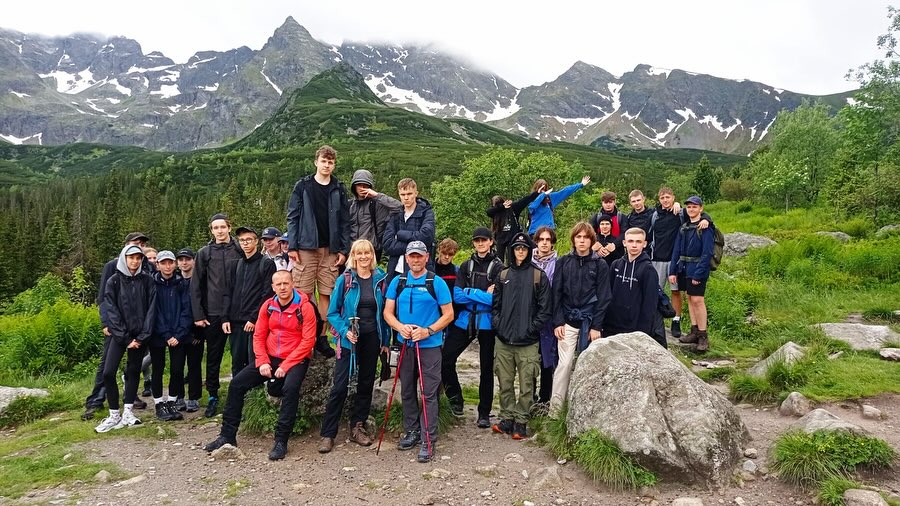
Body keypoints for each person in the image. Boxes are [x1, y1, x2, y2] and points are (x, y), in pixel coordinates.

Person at [203, 270, 317, 460]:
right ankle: (227, 435)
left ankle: (281, 440)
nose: (282, 287)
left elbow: (308, 341)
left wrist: (286, 366)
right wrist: (263, 361)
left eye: (286, 283)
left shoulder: (304, 307)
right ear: (273, 287)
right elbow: (258, 335)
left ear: (292, 284)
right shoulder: (268, 306)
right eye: (278, 284)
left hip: (296, 358)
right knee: (237, 383)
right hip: (270, 356)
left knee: (290, 388)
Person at [383, 241, 454, 463]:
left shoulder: (436, 282)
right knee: (406, 391)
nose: (415, 260)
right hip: (405, 345)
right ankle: (411, 430)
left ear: (426, 258)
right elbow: (387, 312)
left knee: (428, 393)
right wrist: (400, 327)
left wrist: (428, 331)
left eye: (419, 256)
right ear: (406, 258)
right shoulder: (398, 281)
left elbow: (449, 314)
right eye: (411, 256)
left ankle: (428, 438)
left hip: (429, 346)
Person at [319, 239, 391, 453]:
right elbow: (332, 312)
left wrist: (385, 341)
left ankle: (357, 427)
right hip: (349, 338)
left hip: (372, 337)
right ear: (353, 255)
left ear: (372, 255)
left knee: (366, 383)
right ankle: (328, 433)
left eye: (366, 253)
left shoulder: (381, 279)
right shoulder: (345, 279)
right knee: (340, 385)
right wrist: (344, 331)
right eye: (359, 253)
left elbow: (386, 314)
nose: (363, 257)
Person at [83, 232, 151, 420]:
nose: (140, 246)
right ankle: (96, 400)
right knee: (107, 365)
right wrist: (106, 322)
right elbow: (104, 299)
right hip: (115, 326)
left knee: (134, 366)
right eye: (136, 243)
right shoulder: (112, 267)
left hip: (138, 328)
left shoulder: (145, 269)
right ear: (125, 246)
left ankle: (130, 400)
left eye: (142, 245)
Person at [491, 232, 551, 439]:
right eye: (517, 248)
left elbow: (545, 309)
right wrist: (497, 325)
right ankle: (507, 417)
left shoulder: (538, 276)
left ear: (529, 251)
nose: (520, 251)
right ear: (512, 250)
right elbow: (495, 305)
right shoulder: (503, 275)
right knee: (505, 381)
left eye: (524, 248)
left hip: (528, 341)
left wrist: (532, 329)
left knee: (527, 384)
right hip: (504, 340)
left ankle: (521, 420)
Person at [442, 227, 504, 427]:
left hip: (487, 323)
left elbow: (496, 299)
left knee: (486, 368)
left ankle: (484, 413)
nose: (480, 244)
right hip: (465, 320)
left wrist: (468, 291)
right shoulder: (465, 265)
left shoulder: (499, 267)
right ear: (473, 243)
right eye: (477, 240)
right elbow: (456, 295)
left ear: (491, 242)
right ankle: (456, 400)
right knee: (446, 358)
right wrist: (479, 293)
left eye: (484, 240)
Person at [286, 145, 351, 331]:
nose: (327, 165)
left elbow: (345, 222)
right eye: (324, 161)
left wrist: (343, 250)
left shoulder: (339, 188)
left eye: (330, 162)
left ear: (334, 165)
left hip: (330, 249)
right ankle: (303, 337)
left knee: (326, 293)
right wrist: (292, 246)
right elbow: (293, 217)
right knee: (302, 293)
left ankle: (321, 338)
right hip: (305, 247)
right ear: (316, 162)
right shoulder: (302, 186)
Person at [549, 222, 611, 414]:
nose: (582, 241)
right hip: (567, 320)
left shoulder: (600, 264)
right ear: (573, 239)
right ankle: (555, 411)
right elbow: (556, 293)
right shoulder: (563, 262)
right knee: (564, 365)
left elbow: (604, 296)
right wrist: (558, 321)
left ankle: (585, 412)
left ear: (592, 240)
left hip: (590, 322)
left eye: (586, 237)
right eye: (578, 237)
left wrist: (597, 326)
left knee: (588, 366)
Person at [94, 245, 157, 433]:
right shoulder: (114, 281)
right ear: (124, 258)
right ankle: (114, 414)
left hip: (140, 336)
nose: (135, 261)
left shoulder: (147, 281)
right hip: (120, 335)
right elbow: (111, 310)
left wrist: (142, 336)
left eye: (138, 258)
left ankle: (128, 411)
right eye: (131, 258)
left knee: (133, 372)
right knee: (108, 372)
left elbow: (151, 310)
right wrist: (125, 337)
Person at [191, 213, 243, 417]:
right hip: (212, 312)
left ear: (229, 228)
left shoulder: (239, 250)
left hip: (237, 312)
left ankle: (240, 395)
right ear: (211, 231)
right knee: (214, 356)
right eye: (215, 228)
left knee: (240, 356)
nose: (220, 231)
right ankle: (213, 395)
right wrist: (198, 314)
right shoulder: (204, 253)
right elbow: (195, 286)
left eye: (223, 227)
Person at [647, 187, 707, 338]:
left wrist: (707, 219)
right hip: (657, 259)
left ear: (673, 197)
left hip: (676, 260)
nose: (665, 200)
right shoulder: (655, 215)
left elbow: (698, 213)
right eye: (662, 198)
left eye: (668, 197)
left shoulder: (680, 213)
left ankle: (676, 320)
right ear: (659, 199)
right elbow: (647, 234)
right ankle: (655, 321)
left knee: (676, 291)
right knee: (655, 291)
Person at [224, 226, 276, 377]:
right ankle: (237, 394)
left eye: (248, 240)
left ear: (256, 242)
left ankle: (254, 394)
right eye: (241, 240)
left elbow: (268, 295)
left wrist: (254, 318)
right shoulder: (236, 264)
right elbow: (228, 292)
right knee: (237, 361)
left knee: (254, 361)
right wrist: (225, 318)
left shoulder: (266, 264)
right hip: (235, 322)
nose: (245, 243)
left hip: (254, 322)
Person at [148, 250, 191, 421]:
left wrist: (179, 334)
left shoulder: (182, 284)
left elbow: (187, 310)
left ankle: (172, 401)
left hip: (178, 334)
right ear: (157, 265)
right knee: (158, 368)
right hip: (158, 334)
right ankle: (159, 403)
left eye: (170, 262)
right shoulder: (151, 284)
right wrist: (166, 334)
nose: (167, 266)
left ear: (175, 264)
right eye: (163, 263)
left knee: (177, 369)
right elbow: (154, 312)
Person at [669, 196, 715, 352]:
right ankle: (694, 331)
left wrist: (699, 274)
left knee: (697, 299)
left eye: (695, 207)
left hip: (697, 269)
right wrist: (672, 271)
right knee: (689, 298)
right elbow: (676, 250)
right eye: (689, 207)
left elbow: (707, 253)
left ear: (701, 209)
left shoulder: (706, 227)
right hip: (683, 268)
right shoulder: (684, 227)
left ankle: (703, 336)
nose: (691, 209)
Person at [603, 228, 662, 346]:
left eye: (638, 242)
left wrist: (643, 332)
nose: (634, 245)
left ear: (644, 244)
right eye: (630, 241)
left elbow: (650, 305)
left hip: (634, 327)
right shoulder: (616, 264)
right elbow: (607, 294)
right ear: (624, 243)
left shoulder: (648, 270)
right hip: (612, 325)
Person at [383, 178, 436, 284]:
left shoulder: (426, 213)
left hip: (421, 271)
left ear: (416, 193)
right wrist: (415, 247)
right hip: (395, 271)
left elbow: (426, 237)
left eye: (409, 193)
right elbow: (387, 244)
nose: (406, 198)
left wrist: (399, 235)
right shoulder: (395, 215)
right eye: (403, 194)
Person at [349, 169, 403, 262]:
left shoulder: (378, 204)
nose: (362, 187)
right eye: (359, 184)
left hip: (371, 251)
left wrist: (376, 195)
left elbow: (399, 207)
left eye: (365, 185)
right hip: (351, 252)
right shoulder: (349, 205)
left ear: (370, 187)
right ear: (354, 186)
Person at [530, 226, 558, 405]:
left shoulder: (559, 263)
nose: (545, 243)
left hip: (550, 318)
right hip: (530, 317)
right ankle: (529, 398)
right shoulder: (527, 262)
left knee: (548, 359)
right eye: (541, 240)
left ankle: (545, 399)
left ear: (552, 243)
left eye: (548, 240)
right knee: (530, 359)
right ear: (537, 242)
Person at [176, 247, 203, 412]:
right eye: (181, 260)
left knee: (194, 364)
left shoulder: (199, 282)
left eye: (187, 259)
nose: (184, 262)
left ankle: (194, 397)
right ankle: (178, 396)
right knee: (177, 366)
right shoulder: (176, 282)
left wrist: (199, 332)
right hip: (178, 332)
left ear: (194, 261)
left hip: (196, 331)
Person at [486, 188, 540, 264]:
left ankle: (512, 273)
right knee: (499, 260)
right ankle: (500, 274)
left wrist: (537, 193)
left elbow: (525, 200)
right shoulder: (496, 212)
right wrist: (502, 207)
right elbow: (488, 212)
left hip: (512, 237)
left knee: (512, 260)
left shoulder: (513, 208)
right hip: (500, 238)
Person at [527, 176, 591, 235]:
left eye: (545, 189)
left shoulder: (550, 199)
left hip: (549, 232)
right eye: (541, 189)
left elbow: (565, 191)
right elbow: (531, 208)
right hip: (535, 233)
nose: (543, 192)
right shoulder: (532, 200)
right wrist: (542, 195)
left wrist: (580, 184)